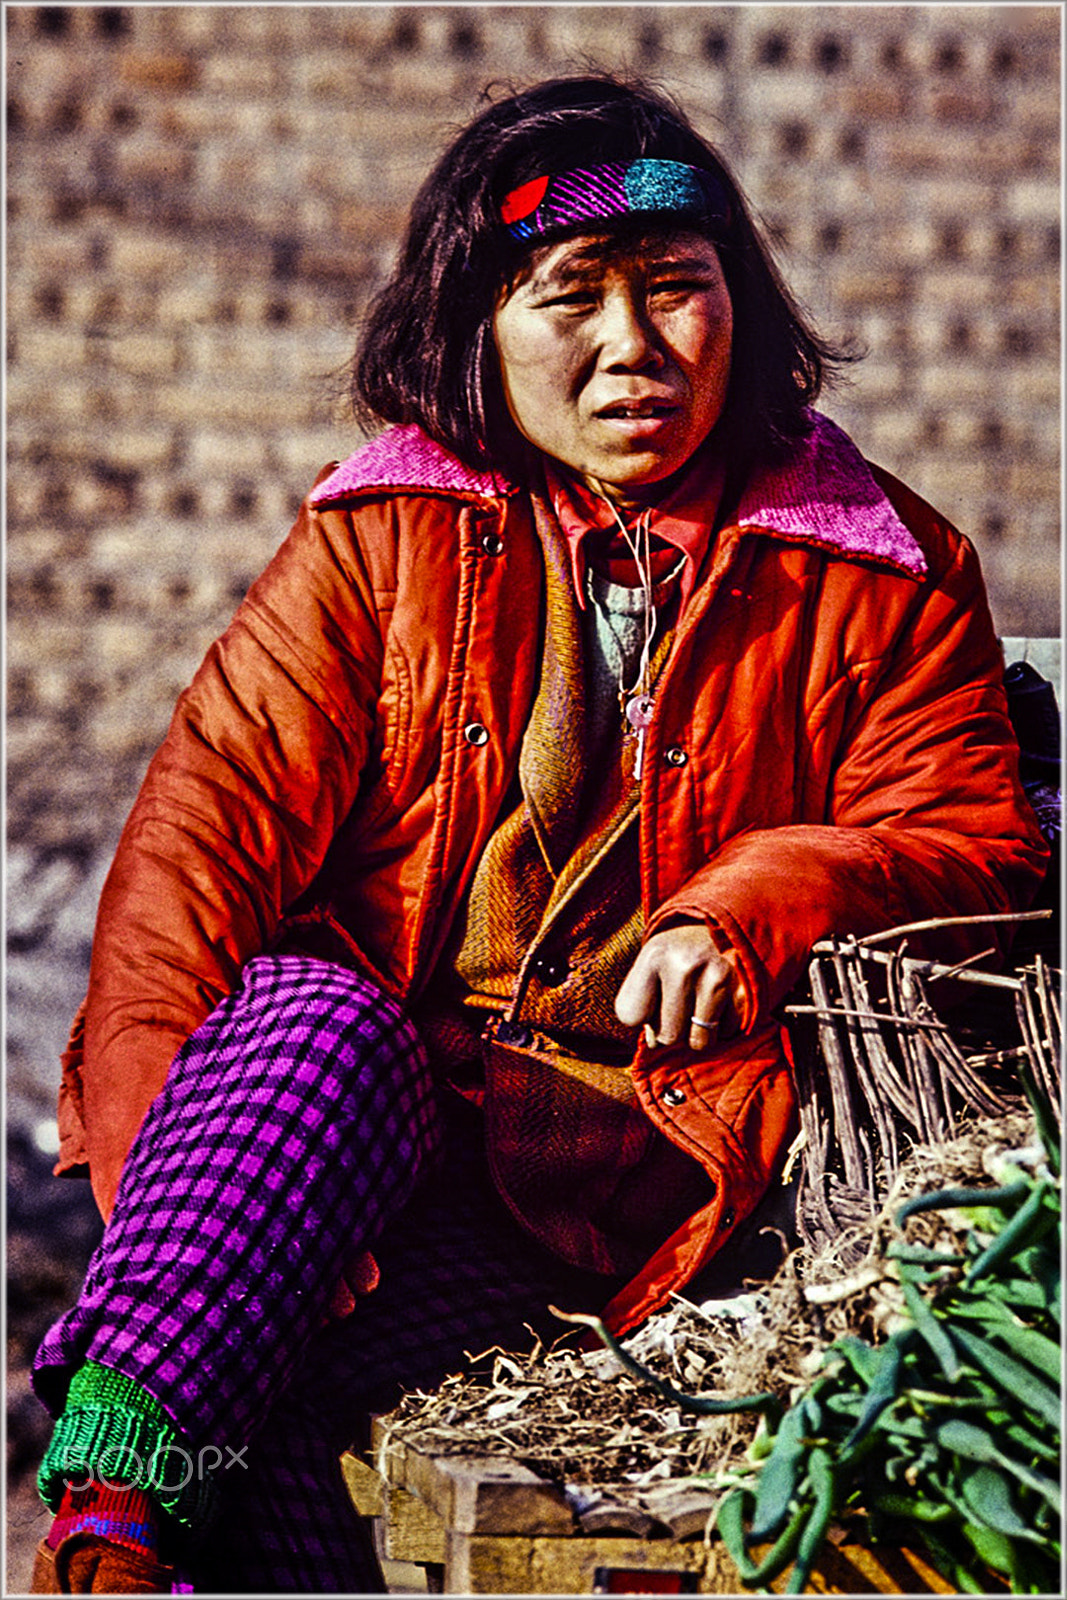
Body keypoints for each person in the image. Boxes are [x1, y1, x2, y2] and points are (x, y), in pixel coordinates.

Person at [30, 73, 1045, 1595]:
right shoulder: (383, 542)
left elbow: (983, 849)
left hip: (653, 1211)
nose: (632, 348)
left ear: (742, 312)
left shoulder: (881, 571)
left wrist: (763, 896)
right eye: (571, 296)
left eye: (677, 293)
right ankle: (108, 1525)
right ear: (477, 334)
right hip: (370, 1150)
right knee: (308, 1026)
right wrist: (189, 1220)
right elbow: (191, 860)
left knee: (307, 1448)